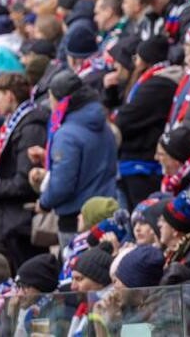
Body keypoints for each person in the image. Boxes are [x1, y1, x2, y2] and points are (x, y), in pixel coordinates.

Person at [35, 69, 118, 246]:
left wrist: (44, 203)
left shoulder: (67, 135)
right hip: (103, 210)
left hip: (75, 220)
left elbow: (63, 184)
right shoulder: (102, 123)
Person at [108, 36, 179, 207]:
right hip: (135, 162)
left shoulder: (158, 85)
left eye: (137, 57)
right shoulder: (149, 81)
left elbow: (126, 119)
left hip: (143, 165)